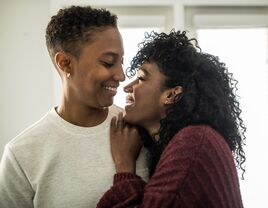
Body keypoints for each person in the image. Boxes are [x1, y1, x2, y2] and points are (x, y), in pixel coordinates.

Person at [0, 5, 148, 208]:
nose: (121, 76)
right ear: (65, 63)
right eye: (108, 63)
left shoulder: (139, 129)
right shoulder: (22, 154)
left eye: (121, 62)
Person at [96, 30, 246, 208]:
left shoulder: (193, 144)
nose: (128, 87)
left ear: (172, 94)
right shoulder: (189, 140)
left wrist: (124, 165)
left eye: (142, 78)